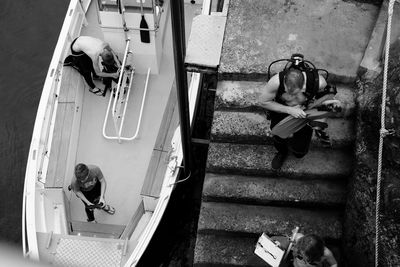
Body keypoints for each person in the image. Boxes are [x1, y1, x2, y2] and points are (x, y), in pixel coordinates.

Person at [259, 67, 339, 170]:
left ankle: (298, 152)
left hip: (305, 113)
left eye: (296, 93)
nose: (292, 96)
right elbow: (263, 102)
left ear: (303, 86)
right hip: (282, 110)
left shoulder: (319, 83)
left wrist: (318, 120)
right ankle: (282, 152)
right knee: (278, 136)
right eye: (289, 92)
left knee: (300, 151)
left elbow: (327, 103)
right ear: (284, 83)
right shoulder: (275, 82)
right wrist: (290, 110)